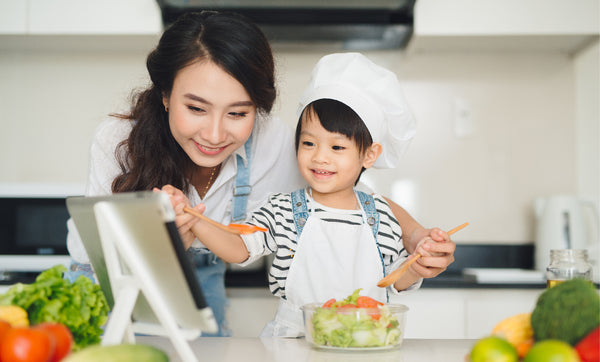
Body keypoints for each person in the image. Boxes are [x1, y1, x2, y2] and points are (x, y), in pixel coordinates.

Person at [164, 52, 456, 337]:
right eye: (308, 143)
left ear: (369, 154)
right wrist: (194, 218)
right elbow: (240, 248)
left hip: (366, 339)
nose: (320, 157)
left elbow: (392, 280)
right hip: (294, 341)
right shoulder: (282, 209)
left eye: (337, 147)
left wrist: (416, 267)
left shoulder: (383, 216)